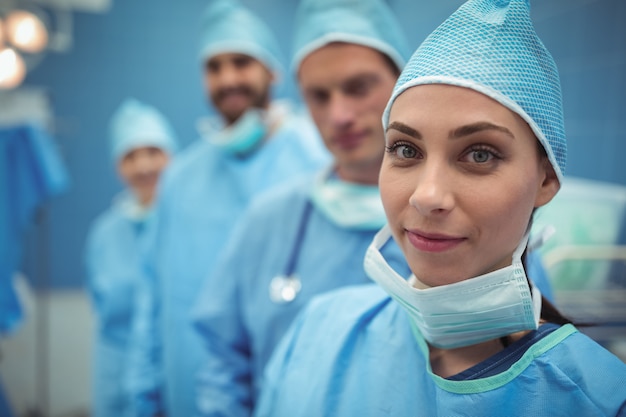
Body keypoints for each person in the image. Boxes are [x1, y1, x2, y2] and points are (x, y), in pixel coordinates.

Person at [254, 0, 626, 416]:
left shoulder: (596, 399)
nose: (426, 196)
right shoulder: (318, 334)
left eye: (480, 154)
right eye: (405, 148)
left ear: (546, 179)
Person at [191, 0, 412, 415]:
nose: (339, 115)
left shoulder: (456, 219)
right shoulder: (271, 221)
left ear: (403, 82)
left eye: (358, 87)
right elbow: (223, 359)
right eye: (318, 96)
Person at [125, 0, 329, 416]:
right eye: (214, 67)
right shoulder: (181, 178)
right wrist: (141, 399)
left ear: (272, 70)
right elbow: (152, 298)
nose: (228, 78)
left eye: (241, 62)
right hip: (189, 394)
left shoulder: (318, 162)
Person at [85, 98, 178, 417]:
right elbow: (105, 318)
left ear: (172, 155)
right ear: (117, 166)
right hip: (117, 378)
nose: (143, 166)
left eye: (153, 152)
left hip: (178, 377)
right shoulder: (104, 235)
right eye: (130, 156)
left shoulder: (190, 224)